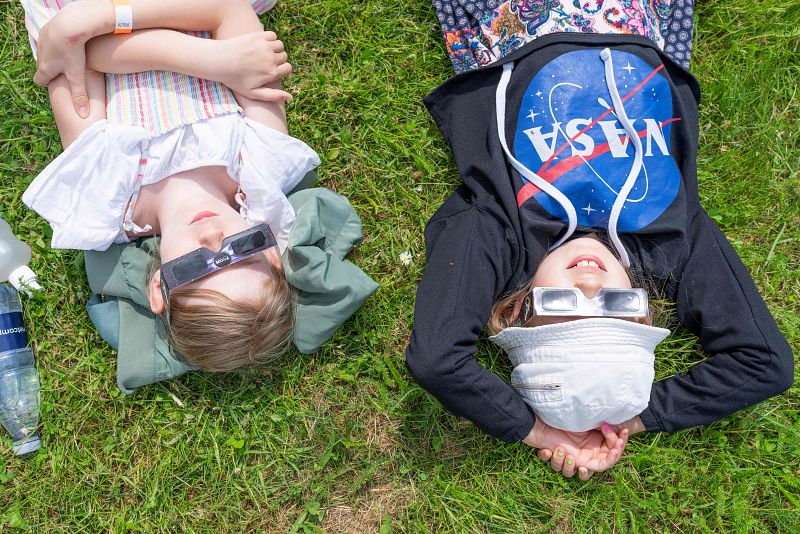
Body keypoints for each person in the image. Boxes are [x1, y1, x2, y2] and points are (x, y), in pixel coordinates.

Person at [406, 0, 794, 480]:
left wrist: (535, 430)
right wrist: (632, 422)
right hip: (632, 18)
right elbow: (765, 364)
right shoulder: (670, 244)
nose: (590, 283)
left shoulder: (502, 232)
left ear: (519, 308)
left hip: (519, 23)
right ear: (642, 309)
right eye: (616, 305)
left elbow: (438, 361)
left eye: (563, 303)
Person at [19, 0, 320, 371]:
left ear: (159, 288)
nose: (212, 238)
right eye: (242, 250)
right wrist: (98, 29)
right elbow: (227, 9)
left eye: (194, 267)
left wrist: (219, 61)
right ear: (272, 252)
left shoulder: (105, 197)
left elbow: (67, 53)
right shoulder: (260, 163)